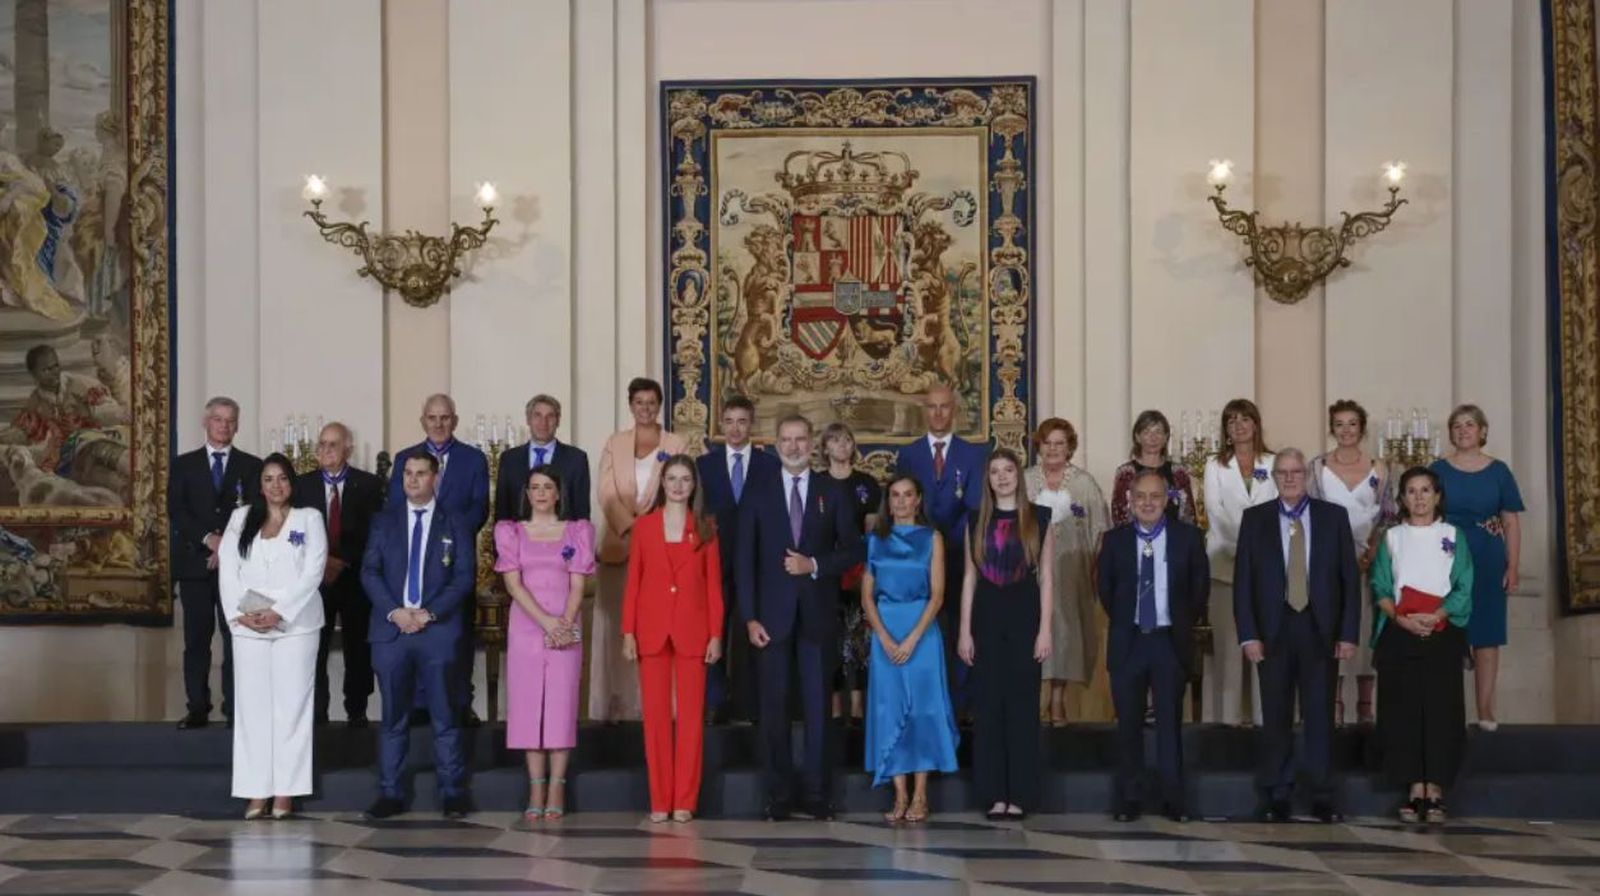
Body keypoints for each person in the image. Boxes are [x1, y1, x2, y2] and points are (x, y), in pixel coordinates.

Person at [735, 414, 862, 820]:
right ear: (775, 445)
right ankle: (778, 795)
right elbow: (744, 561)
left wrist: (815, 565)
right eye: (786, 440)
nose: (793, 446)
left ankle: (817, 794)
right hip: (770, 621)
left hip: (817, 617)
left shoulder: (832, 491)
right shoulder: (758, 492)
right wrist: (750, 618)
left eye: (801, 439)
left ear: (813, 444)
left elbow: (852, 550)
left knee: (817, 710)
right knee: (772, 710)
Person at [1234, 448, 1360, 823]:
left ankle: (1322, 795)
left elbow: (1349, 582)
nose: (1289, 478)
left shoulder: (1333, 517)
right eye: (1282, 473)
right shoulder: (1254, 519)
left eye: (1295, 472)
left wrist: (1348, 633)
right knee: (1275, 716)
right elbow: (1244, 583)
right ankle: (1278, 794)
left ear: (1306, 475)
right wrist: (1248, 635)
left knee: (1320, 715)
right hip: (1273, 630)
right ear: (1273, 478)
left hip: (1319, 629)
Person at [361, 453, 478, 820]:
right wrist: (396, 612)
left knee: (445, 715)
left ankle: (452, 792)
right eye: (407, 474)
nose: (413, 480)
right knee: (393, 716)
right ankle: (390, 793)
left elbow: (463, 577)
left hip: (436, 632)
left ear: (435, 478)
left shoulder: (454, 522)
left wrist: (428, 613)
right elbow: (370, 571)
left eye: (421, 473)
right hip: (392, 631)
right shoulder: (383, 522)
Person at [218, 453, 326, 820]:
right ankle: (255, 791)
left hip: (295, 625)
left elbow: (313, 571)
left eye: (282, 478)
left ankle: (285, 791)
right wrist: (240, 614)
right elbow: (229, 571)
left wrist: (279, 611)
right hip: (248, 627)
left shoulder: (308, 519)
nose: (275, 485)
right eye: (268, 479)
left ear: (292, 482)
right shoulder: (240, 518)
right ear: (259, 485)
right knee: (253, 710)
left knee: (291, 707)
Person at [1098, 470, 1209, 823]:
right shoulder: (1114, 541)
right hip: (1128, 640)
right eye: (1140, 497)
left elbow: (1198, 589)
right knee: (1128, 724)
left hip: (1167, 641)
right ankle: (1129, 799)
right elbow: (1106, 590)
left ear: (1167, 500)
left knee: (1169, 724)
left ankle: (1173, 799)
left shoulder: (1188, 538)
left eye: (1155, 497)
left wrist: (1176, 622)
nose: (1147, 503)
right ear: (1130, 501)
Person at [622, 456, 724, 822]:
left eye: (685, 479)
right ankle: (659, 800)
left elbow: (714, 588)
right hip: (651, 631)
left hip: (693, 632)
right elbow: (633, 582)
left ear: (694, 485)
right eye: (672, 479)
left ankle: (685, 799)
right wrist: (628, 631)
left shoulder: (706, 528)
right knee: (655, 719)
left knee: (692, 720)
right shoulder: (645, 527)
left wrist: (716, 634)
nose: (678, 486)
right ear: (662, 484)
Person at [1369, 466, 1474, 824]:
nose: (1419, 498)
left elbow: (1464, 584)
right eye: (1411, 491)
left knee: (1441, 711)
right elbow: (1381, 586)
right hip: (1402, 630)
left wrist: (1438, 615)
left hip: (1442, 631)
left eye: (1425, 490)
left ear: (1437, 496)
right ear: (1402, 499)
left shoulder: (1453, 535)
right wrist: (1401, 619)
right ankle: (1414, 788)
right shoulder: (1391, 537)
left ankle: (1437, 789)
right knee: (1405, 710)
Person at [957, 448, 1054, 820]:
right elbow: (969, 577)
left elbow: (1046, 578)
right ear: (988, 478)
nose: (1002, 477)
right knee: (990, 707)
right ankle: (995, 794)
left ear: (1019, 475)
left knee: (1022, 708)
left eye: (1008, 470)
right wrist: (965, 631)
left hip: (1025, 615)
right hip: (986, 616)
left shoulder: (1041, 519)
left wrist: (1045, 630)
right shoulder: (974, 521)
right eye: (995, 471)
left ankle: (1021, 794)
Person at [494, 467, 593, 822]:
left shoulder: (578, 531)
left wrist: (563, 622)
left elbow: (579, 584)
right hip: (527, 627)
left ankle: (557, 786)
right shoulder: (511, 532)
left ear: (557, 493)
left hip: (566, 626)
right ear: (526, 493)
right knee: (528, 706)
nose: (540, 493)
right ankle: (536, 785)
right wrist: (546, 622)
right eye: (534, 487)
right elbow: (513, 585)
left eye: (547, 487)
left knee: (561, 706)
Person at [862, 475, 959, 823]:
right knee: (889, 710)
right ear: (888, 502)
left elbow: (937, 595)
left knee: (922, 710)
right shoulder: (876, 540)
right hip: (885, 631)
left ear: (918, 500)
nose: (901, 502)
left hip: (921, 631)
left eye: (907, 495)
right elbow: (866, 596)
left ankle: (921, 795)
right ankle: (899, 794)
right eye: (895, 496)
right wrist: (885, 638)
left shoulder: (932, 539)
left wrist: (913, 637)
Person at [388, 393, 490, 725]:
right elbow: (393, 508)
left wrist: (451, 537)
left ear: (455, 421)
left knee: (457, 634)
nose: (439, 424)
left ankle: (460, 702)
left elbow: (479, 507)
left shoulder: (473, 459)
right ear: (423, 422)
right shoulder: (406, 458)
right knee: (414, 632)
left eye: (445, 417)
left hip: (455, 562)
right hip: (414, 564)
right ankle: (419, 705)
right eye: (432, 418)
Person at [595, 377, 687, 721]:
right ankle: (619, 703)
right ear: (630, 405)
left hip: (664, 541)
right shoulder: (615, 443)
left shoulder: (676, 442)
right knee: (622, 622)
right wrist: (633, 528)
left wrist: (651, 530)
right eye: (639, 402)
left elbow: (683, 485)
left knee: (659, 625)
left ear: (659, 405)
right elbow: (605, 490)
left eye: (651, 402)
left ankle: (659, 704)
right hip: (619, 541)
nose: (645, 408)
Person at [168, 397, 262, 729]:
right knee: (196, 640)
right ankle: (197, 706)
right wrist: (210, 540)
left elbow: (256, 514)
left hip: (236, 568)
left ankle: (235, 708)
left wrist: (228, 548)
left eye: (230, 420)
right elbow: (177, 511)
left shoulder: (253, 466)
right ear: (206, 422)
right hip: (196, 567)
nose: (224, 425)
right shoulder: (183, 465)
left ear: (238, 425)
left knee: (237, 638)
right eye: (218, 419)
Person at [1429, 404, 1523, 732]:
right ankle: (1449, 711)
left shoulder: (1499, 471)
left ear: (1483, 431)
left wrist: (1513, 566)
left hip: (1487, 554)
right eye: (1457, 425)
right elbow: (1424, 511)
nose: (1463, 430)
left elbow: (1510, 521)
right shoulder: (1437, 469)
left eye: (1470, 425)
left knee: (1486, 634)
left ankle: (1485, 710)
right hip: (1446, 555)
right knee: (1447, 632)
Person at [1307, 400, 1397, 725]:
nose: (1346, 430)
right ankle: (1333, 703)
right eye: (1340, 424)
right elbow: (1310, 514)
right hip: (1329, 561)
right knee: (1333, 625)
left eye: (1352, 423)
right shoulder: (1316, 468)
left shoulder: (1382, 468)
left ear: (1362, 428)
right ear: (1332, 429)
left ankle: (1364, 705)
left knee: (1366, 627)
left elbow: (1389, 514)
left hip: (1370, 558)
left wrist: (1372, 549)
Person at [894, 385, 984, 708]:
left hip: (961, 558)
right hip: (918, 559)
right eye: (932, 407)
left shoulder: (974, 453)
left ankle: (960, 703)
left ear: (954, 409)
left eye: (945, 406)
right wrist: (927, 543)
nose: (938, 413)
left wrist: (946, 543)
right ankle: (924, 701)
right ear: (924, 411)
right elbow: (903, 507)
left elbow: (974, 507)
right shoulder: (909, 454)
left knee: (961, 626)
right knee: (924, 628)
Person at [293, 422, 385, 727]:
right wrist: (321, 563)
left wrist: (342, 561)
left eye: (333, 444)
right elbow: (294, 533)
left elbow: (375, 535)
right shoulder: (301, 486)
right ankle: (318, 711)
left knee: (357, 648)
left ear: (349, 448)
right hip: (315, 583)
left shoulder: (369, 485)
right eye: (322, 444)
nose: (326, 450)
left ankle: (356, 710)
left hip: (355, 579)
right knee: (314, 647)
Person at [1023, 417, 1110, 725]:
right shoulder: (1025, 481)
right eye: (1047, 443)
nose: (1053, 449)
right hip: (1030, 575)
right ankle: (1033, 702)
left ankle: (1058, 701)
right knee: (1032, 633)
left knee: (1066, 637)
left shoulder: (1083, 484)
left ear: (1069, 446)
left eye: (1060, 443)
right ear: (1039, 446)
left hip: (1073, 573)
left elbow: (1100, 531)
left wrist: (1098, 571)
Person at [697, 395, 778, 724]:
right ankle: (715, 701)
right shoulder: (704, 466)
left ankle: (752, 705)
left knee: (754, 633)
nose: (735, 428)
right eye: (729, 421)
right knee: (713, 630)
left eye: (742, 421)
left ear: (751, 424)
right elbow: (697, 514)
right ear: (721, 425)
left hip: (758, 564)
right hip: (715, 560)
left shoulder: (769, 465)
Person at [1202, 398, 1277, 726]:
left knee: (1265, 650)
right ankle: (1227, 727)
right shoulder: (1214, 465)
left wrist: (1257, 553)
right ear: (1226, 430)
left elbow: (1278, 510)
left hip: (1268, 568)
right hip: (1224, 565)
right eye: (1231, 421)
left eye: (1245, 419)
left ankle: (1266, 725)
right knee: (1229, 651)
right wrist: (1244, 548)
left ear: (1256, 424)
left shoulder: (1274, 463)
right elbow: (1216, 513)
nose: (1239, 425)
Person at [822, 421, 882, 724]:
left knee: (859, 639)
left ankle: (858, 707)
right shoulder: (816, 482)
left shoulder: (867, 484)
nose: (842, 445)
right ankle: (833, 707)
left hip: (858, 571)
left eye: (847, 440)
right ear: (825, 448)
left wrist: (866, 571)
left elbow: (872, 531)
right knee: (830, 640)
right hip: (824, 573)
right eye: (835, 441)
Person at [494, 394, 591, 524]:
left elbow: (581, 513)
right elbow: (502, 513)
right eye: (537, 415)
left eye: (550, 416)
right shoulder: (509, 459)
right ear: (528, 419)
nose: (543, 423)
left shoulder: (576, 459)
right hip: (517, 541)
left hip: (563, 540)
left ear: (558, 421)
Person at [1111, 410, 1196, 527]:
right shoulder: (1126, 473)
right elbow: (1119, 516)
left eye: (1158, 432)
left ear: (1166, 437)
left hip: (1174, 540)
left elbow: (1189, 515)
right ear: (1137, 437)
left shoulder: (1178, 472)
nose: (1153, 438)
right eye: (1147, 432)